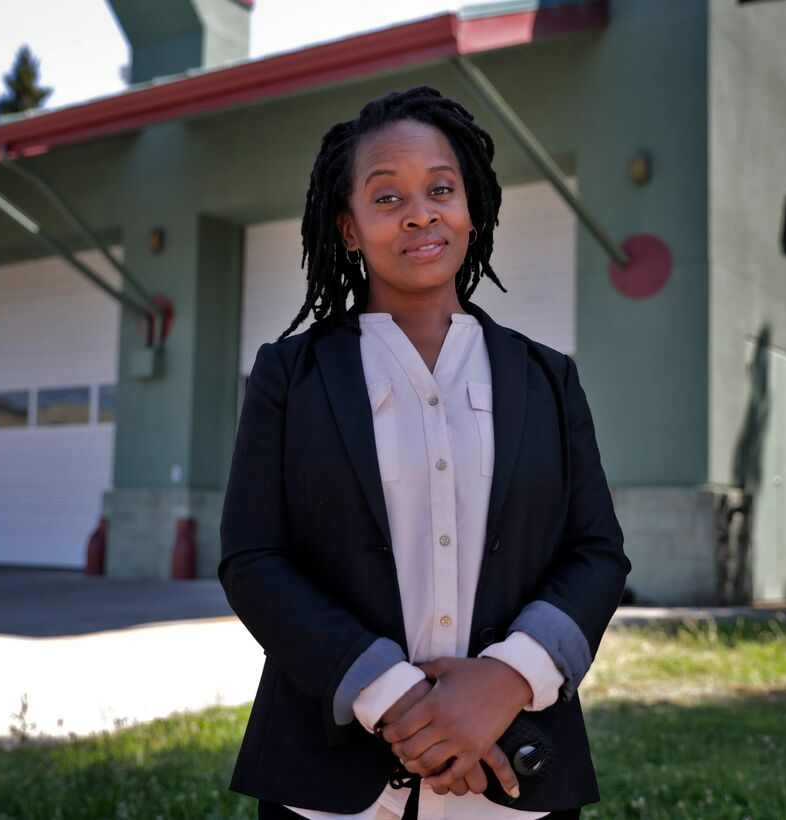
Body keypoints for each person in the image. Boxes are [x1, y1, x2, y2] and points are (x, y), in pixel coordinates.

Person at [218, 85, 631, 820]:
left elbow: (596, 552)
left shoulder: (547, 378)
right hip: (328, 779)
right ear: (348, 228)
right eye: (386, 197)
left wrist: (507, 681)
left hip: (513, 768)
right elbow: (253, 558)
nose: (419, 212)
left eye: (441, 188)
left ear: (472, 207)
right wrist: (395, 696)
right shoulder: (290, 376)